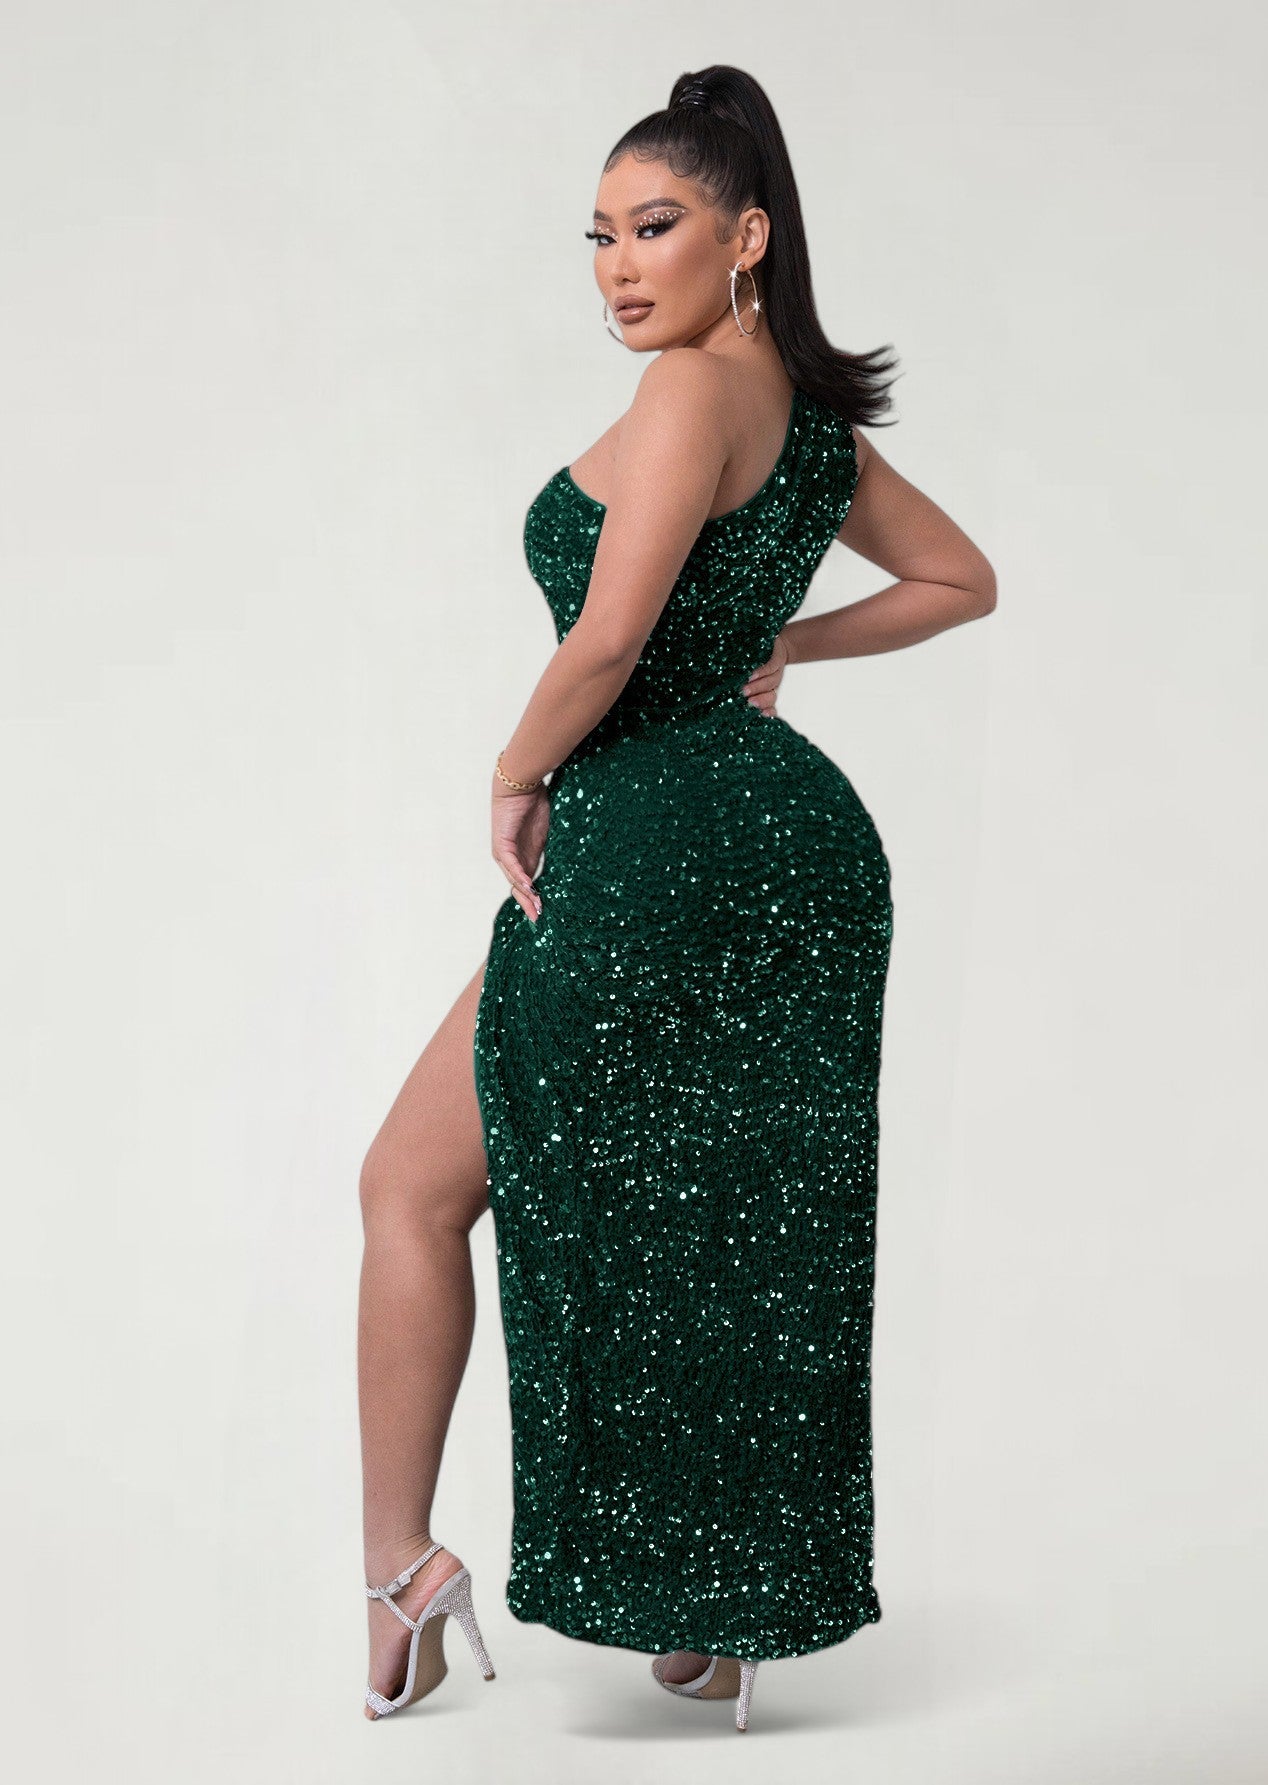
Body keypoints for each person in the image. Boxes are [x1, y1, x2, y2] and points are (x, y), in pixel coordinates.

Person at [357, 63, 996, 1732]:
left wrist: (513, 771)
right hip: (791, 844)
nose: (620, 266)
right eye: (599, 236)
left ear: (747, 237)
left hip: (647, 833)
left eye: (654, 227)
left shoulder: (687, 395)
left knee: (414, 1185)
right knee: (729, 1221)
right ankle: (715, 1613)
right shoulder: (811, 424)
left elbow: (609, 639)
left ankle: (400, 1568)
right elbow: (962, 581)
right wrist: (788, 638)